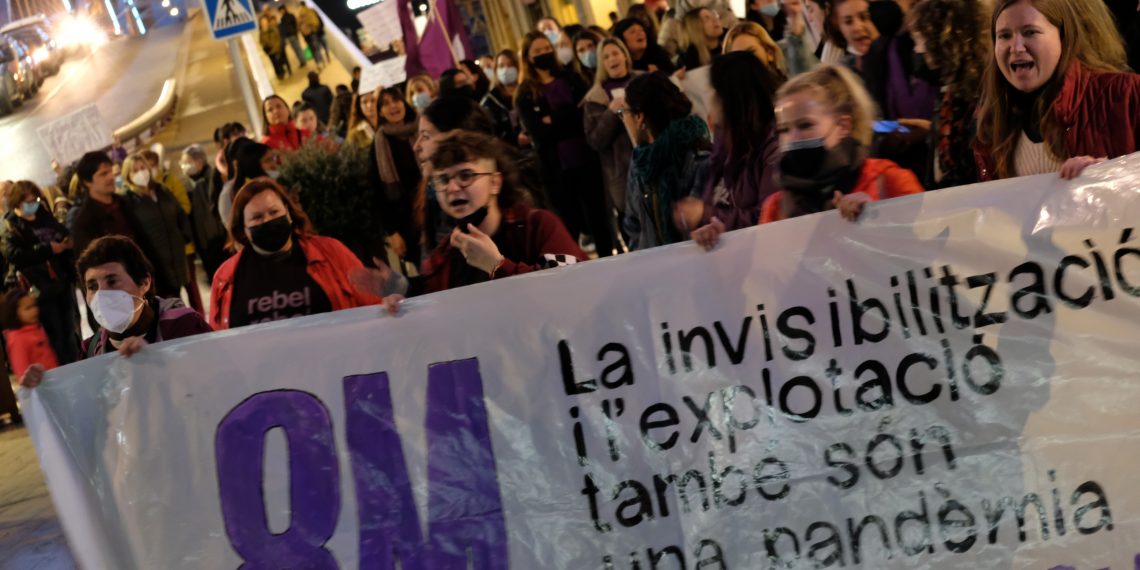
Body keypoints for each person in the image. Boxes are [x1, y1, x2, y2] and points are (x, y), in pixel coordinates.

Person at [351, 130, 586, 303]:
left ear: (495, 182)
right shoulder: (446, 253)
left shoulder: (537, 226)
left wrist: (496, 266)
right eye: (443, 180)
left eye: (466, 175)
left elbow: (574, 287)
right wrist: (400, 290)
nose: (453, 188)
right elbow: (435, 301)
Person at [975, 0, 1139, 181]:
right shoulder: (991, 125)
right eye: (1004, 36)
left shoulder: (1126, 94)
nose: (1016, 47)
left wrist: (1112, 177)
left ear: (1063, 37)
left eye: (1030, 32)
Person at [761, 64, 923, 224]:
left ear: (843, 126)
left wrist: (877, 217)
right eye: (783, 130)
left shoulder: (888, 180)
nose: (793, 138)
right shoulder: (775, 208)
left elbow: (928, 240)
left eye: (805, 125)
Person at [210, 179, 381, 329]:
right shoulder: (226, 277)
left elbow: (373, 304)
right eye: (257, 217)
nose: (268, 220)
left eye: (274, 212)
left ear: (288, 213)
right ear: (243, 229)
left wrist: (389, 305)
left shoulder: (331, 252)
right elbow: (217, 342)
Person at [515, 31, 617, 257]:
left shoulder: (572, 79)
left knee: (598, 217)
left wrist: (554, 119)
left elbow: (583, 117)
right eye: (537, 51)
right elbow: (539, 133)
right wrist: (564, 117)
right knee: (568, 223)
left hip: (586, 158)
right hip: (556, 168)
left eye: (546, 49)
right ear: (528, 57)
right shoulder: (525, 93)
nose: (544, 54)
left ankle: (607, 259)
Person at [680, 52, 782, 248]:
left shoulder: (773, 151)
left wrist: (706, 214)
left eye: (713, 90)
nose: (708, 97)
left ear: (731, 98)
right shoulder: (724, 144)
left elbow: (771, 216)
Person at [621, 72, 712, 250]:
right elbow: (633, 225)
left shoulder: (699, 155)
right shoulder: (640, 161)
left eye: (623, 112)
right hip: (656, 269)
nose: (623, 118)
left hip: (699, 265)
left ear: (639, 117)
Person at [906, 0, 988, 189]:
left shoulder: (980, 94)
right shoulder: (951, 90)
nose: (917, 49)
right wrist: (929, 131)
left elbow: (970, 158)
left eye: (919, 39)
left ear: (942, 39)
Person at [4, 181, 79, 364]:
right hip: (40, 289)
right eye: (27, 201)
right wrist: (48, 250)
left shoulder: (44, 216)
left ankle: (78, 363)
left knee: (71, 328)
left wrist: (67, 241)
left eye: (34, 199)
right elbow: (13, 255)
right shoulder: (12, 226)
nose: (33, 204)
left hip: (61, 280)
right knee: (55, 335)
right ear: (17, 203)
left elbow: (61, 231)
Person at [583, 38, 640, 237]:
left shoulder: (644, 81)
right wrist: (610, 113)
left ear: (625, 55)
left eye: (615, 53)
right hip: (623, 174)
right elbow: (595, 141)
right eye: (606, 57)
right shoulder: (595, 98)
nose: (612, 59)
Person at [120, 154, 192, 301]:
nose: (141, 172)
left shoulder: (162, 190)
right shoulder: (128, 200)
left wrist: (183, 237)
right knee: (166, 305)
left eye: (143, 167)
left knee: (178, 300)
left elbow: (179, 213)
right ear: (127, 176)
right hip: (155, 263)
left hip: (176, 257)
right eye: (135, 170)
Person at [370, 86, 423, 267]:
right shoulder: (380, 142)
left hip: (435, 213)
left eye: (396, 100)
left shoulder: (422, 128)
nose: (393, 106)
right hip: (406, 221)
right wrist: (392, 232)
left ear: (404, 102)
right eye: (385, 104)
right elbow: (377, 192)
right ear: (380, 112)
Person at [67, 151, 139, 257]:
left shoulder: (123, 203)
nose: (111, 177)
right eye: (103, 174)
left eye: (110, 171)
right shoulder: (84, 223)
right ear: (87, 182)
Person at [2, 288, 58, 416]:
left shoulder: (36, 328)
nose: (34, 311)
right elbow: (21, 369)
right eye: (28, 308)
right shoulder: (17, 339)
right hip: (40, 391)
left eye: (34, 306)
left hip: (52, 384)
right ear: (14, 313)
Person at [180, 145, 228, 280]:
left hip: (217, 240)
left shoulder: (212, 179)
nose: (184, 166)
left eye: (187, 162)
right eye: (183, 163)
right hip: (204, 243)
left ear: (199, 161)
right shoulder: (190, 184)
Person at [219, 142, 279, 228]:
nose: (274, 165)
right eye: (268, 160)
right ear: (253, 165)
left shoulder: (277, 181)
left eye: (274, 158)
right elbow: (231, 226)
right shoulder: (229, 193)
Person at [723, 21, 793, 82]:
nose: (744, 60)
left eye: (751, 53)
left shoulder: (786, 93)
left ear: (769, 53)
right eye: (737, 57)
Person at [482, 49, 523, 146]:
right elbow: (489, 136)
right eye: (501, 66)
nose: (506, 70)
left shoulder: (530, 91)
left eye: (510, 65)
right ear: (496, 70)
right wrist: (515, 140)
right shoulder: (489, 101)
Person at [260, 14, 290, 80]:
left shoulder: (273, 29)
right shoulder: (262, 32)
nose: (264, 24)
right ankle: (279, 75)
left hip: (276, 49)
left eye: (265, 22)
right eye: (262, 22)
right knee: (274, 64)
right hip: (269, 51)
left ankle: (282, 73)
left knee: (279, 62)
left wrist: (276, 48)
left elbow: (277, 39)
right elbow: (261, 41)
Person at [298, 1, 326, 67]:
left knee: (313, 48)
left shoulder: (300, 15)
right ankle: (320, 61)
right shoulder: (309, 11)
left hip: (307, 34)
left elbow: (299, 26)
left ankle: (319, 62)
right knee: (315, 48)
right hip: (311, 32)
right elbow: (315, 22)